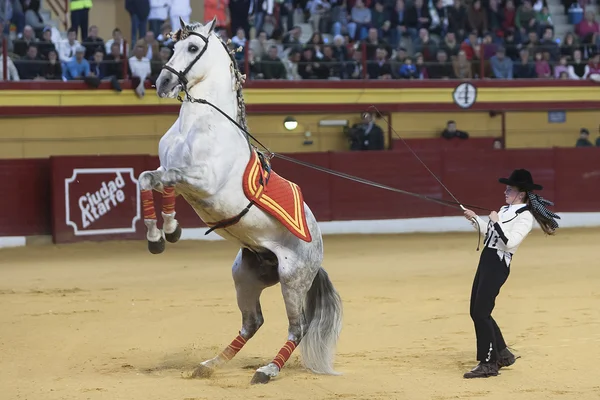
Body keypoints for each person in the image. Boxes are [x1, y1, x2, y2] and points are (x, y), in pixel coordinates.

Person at [462, 169, 560, 379]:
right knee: (477, 310)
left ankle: (489, 363)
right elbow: (491, 232)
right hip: (487, 259)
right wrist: (475, 220)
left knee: (481, 312)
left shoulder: (524, 217)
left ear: (521, 194)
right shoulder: (505, 210)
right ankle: (503, 353)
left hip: (498, 263)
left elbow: (509, 242)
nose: (505, 191)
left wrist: (496, 222)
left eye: (510, 189)